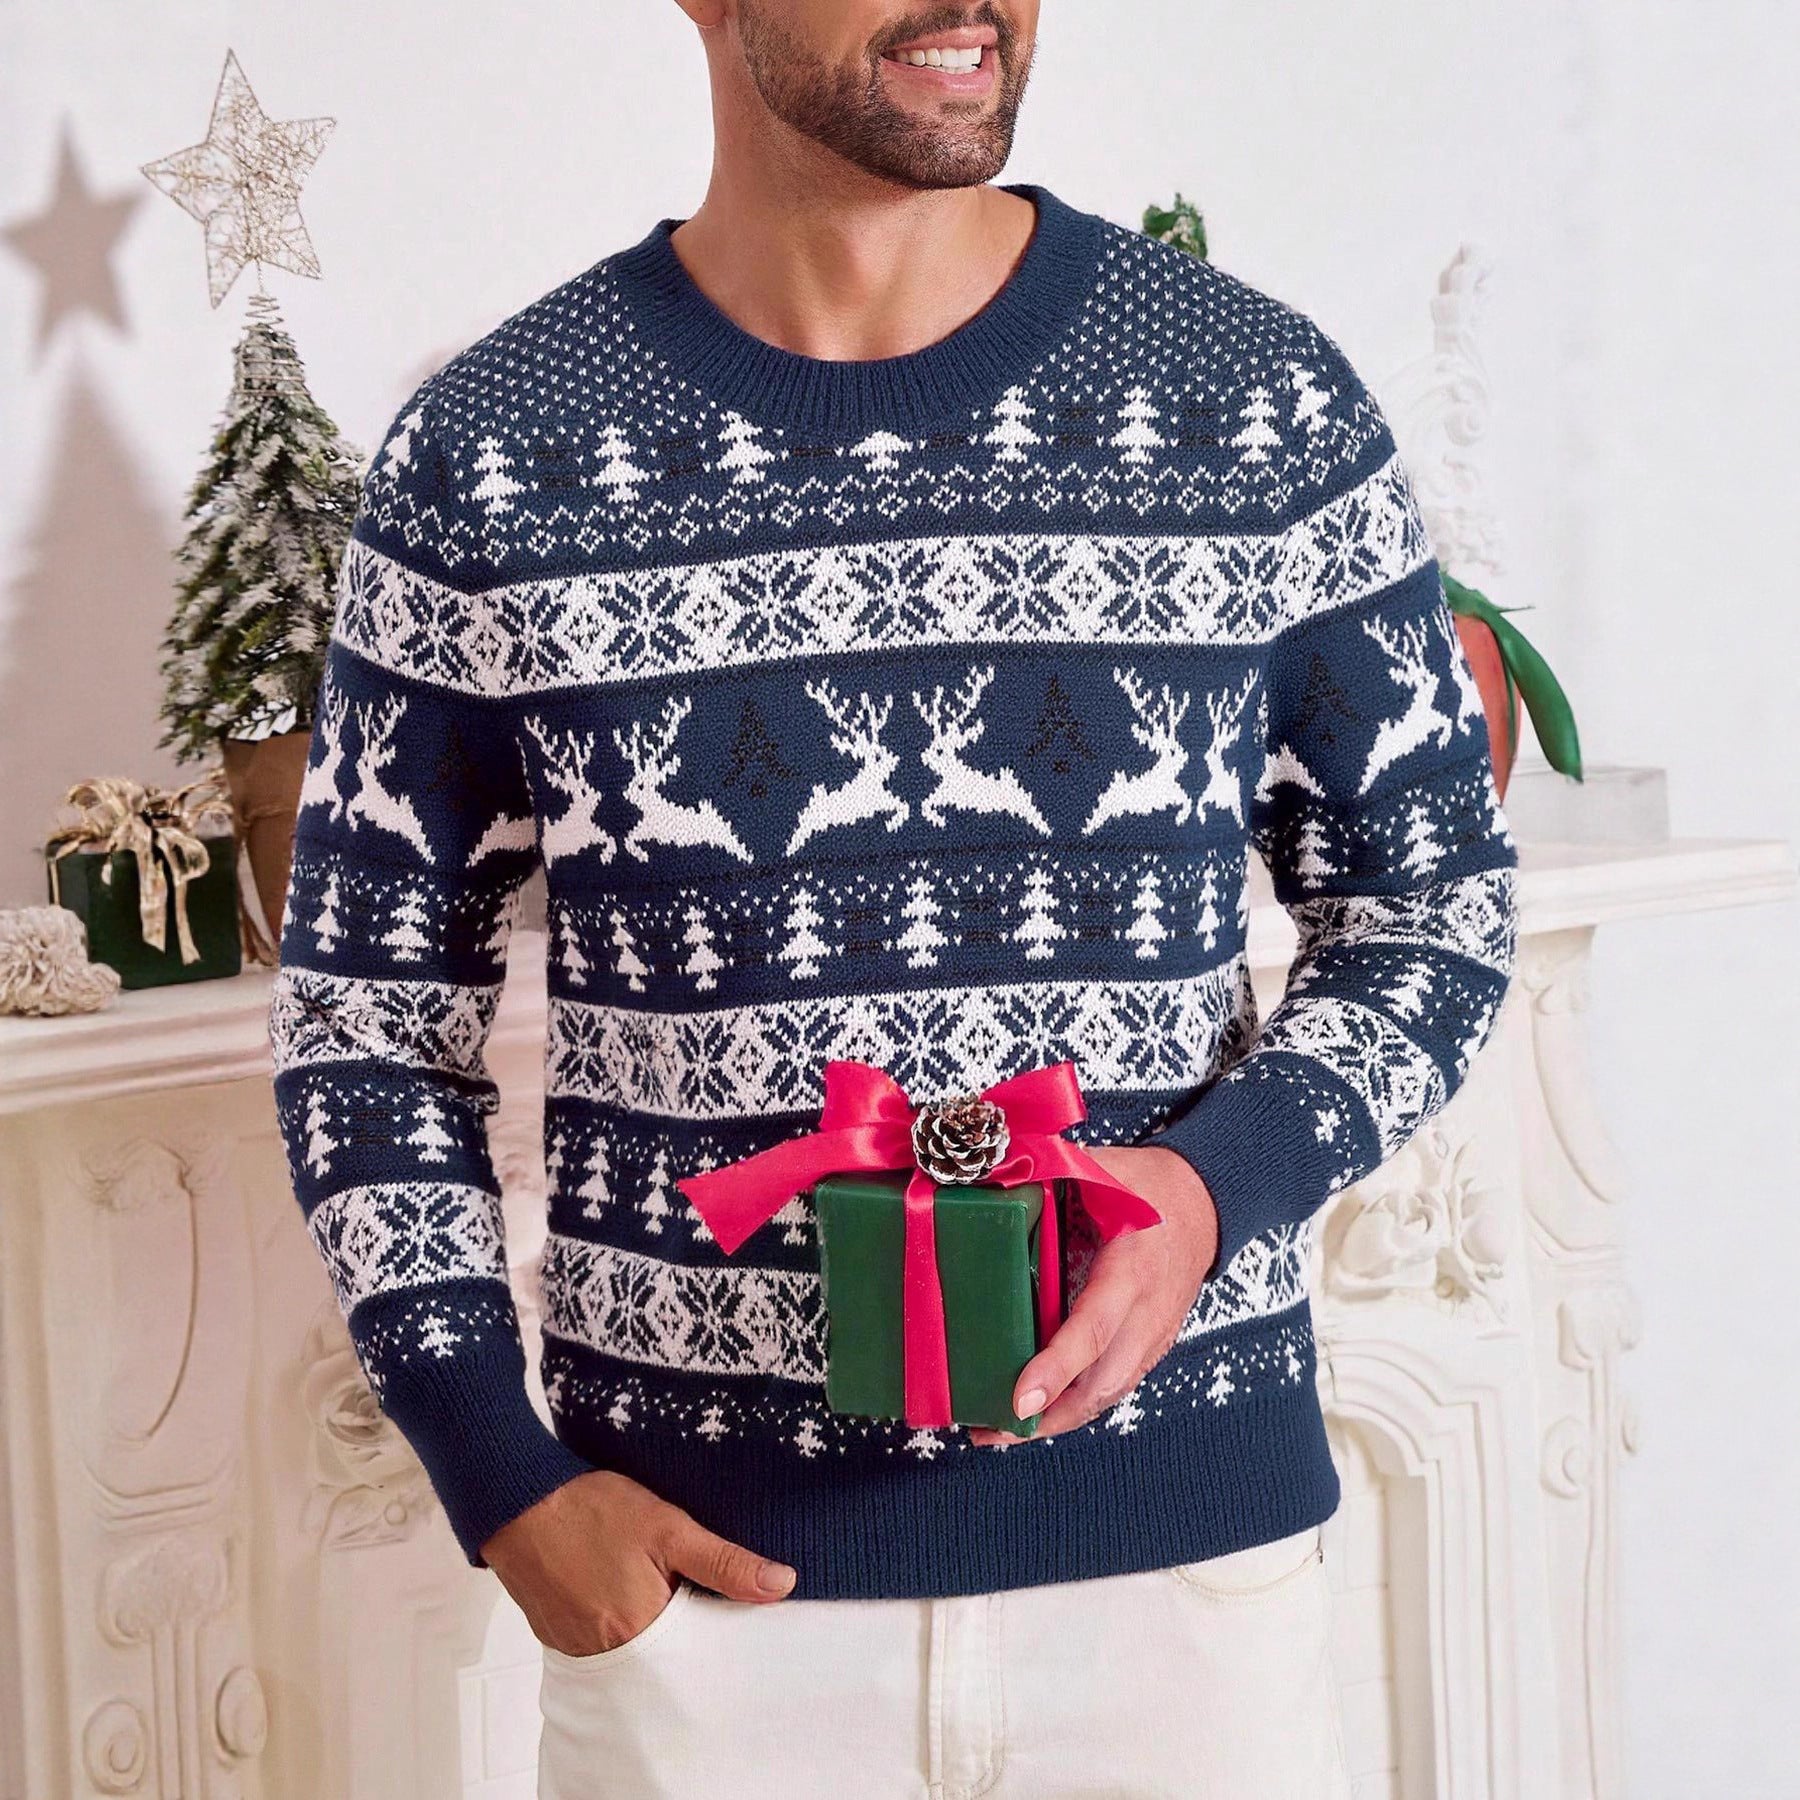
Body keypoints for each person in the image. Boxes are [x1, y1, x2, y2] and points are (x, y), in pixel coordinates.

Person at [268, 2, 1520, 1793]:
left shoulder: (1253, 404)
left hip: (1185, 1604)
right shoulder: (492, 454)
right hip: (705, 1626)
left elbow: (1432, 907)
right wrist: (501, 1479)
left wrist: (1209, 1188)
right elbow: (368, 1021)